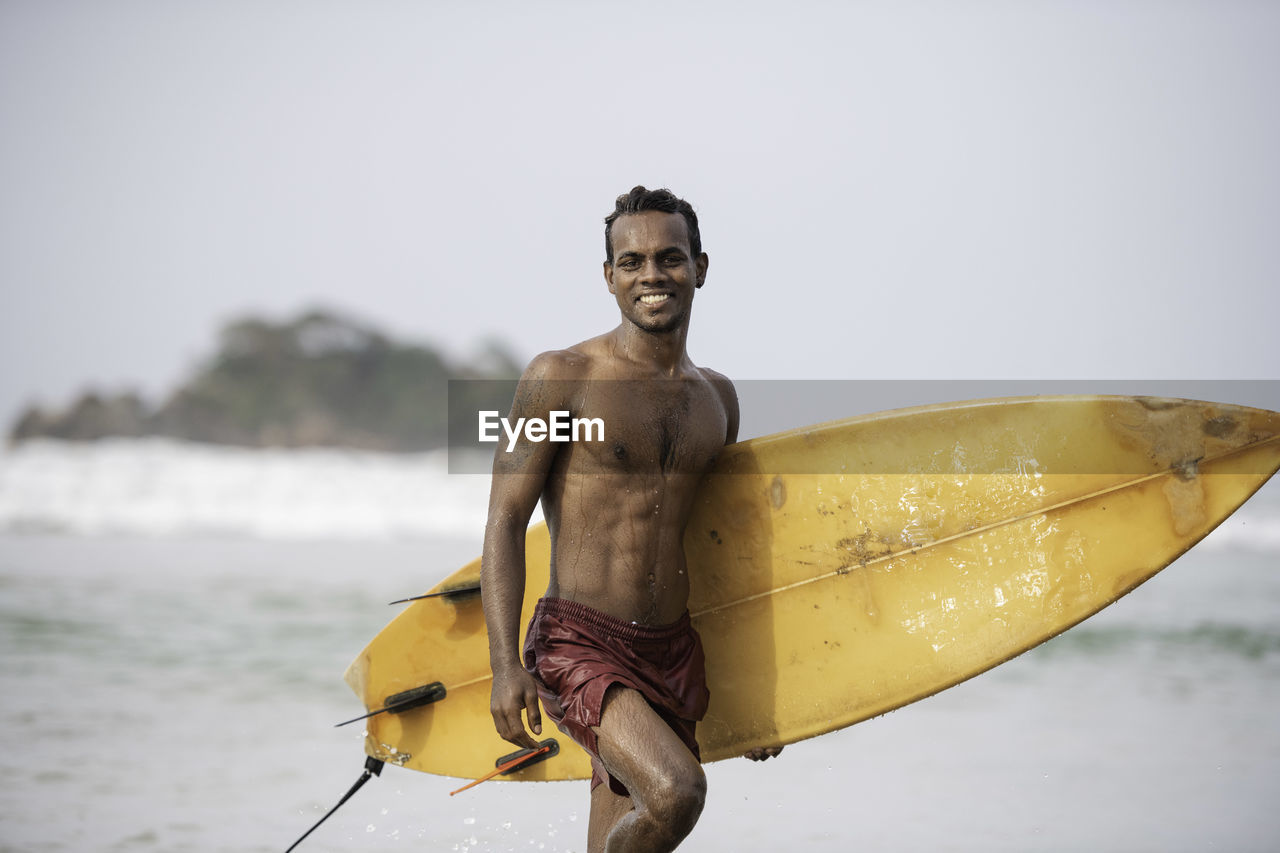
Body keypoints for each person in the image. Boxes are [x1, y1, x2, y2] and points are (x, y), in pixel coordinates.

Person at [481, 186, 779, 852]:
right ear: (610, 277)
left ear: (700, 267)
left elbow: (719, 550)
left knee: (622, 825)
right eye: (633, 261)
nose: (652, 274)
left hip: (672, 651)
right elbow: (504, 519)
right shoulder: (563, 377)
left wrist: (753, 696)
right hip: (580, 643)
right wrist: (505, 664)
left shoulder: (718, 401)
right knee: (678, 792)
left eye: (670, 258)